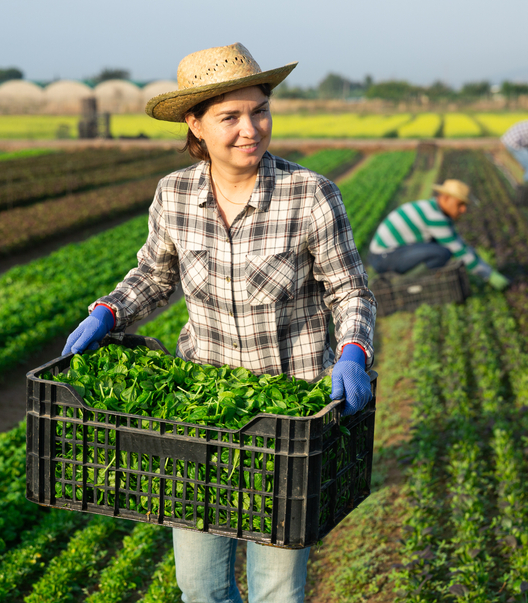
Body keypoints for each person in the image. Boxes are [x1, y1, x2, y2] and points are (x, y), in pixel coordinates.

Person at [61, 43, 376, 603]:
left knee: (276, 589)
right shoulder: (175, 194)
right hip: (200, 417)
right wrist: (109, 310)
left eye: (260, 111)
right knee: (200, 587)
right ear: (196, 124)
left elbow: (350, 290)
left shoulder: (310, 195)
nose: (250, 129)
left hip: (288, 419)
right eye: (229, 117)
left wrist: (353, 348)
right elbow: (154, 277)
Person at [367, 179, 510, 291]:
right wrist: (489, 275)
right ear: (446, 198)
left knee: (439, 247)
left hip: (384, 254)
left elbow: (459, 243)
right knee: (442, 253)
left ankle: (413, 282)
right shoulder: (435, 217)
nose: (463, 209)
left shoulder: (432, 208)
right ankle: (408, 286)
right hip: (383, 257)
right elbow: (459, 250)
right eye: (460, 204)